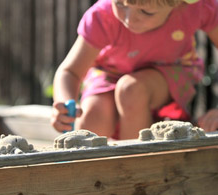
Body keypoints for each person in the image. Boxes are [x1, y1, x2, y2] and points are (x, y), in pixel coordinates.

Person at [51, 0, 218, 140]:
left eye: (146, 12)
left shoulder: (197, 7)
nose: (129, 19)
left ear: (179, 3)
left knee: (131, 90)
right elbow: (70, 71)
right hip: (111, 73)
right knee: (91, 121)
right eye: (120, 4)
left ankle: (135, 172)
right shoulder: (103, 16)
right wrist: (64, 107)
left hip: (171, 71)